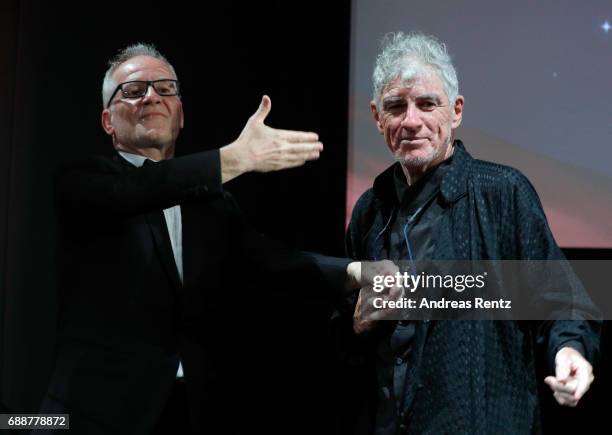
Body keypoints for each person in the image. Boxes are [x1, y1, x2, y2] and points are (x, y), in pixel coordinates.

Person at [37, 43, 354, 435]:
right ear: (107, 121)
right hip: (92, 418)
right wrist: (234, 158)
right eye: (133, 91)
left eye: (165, 89)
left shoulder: (210, 203)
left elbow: (273, 261)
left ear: (181, 115)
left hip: (192, 414)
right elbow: (138, 190)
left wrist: (356, 272)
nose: (151, 96)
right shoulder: (81, 181)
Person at [346, 32, 601, 434]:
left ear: (456, 111)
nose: (412, 121)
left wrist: (571, 350)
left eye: (427, 104)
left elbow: (562, 300)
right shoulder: (369, 211)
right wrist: (356, 321)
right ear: (378, 118)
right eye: (397, 107)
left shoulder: (503, 193)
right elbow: (347, 321)